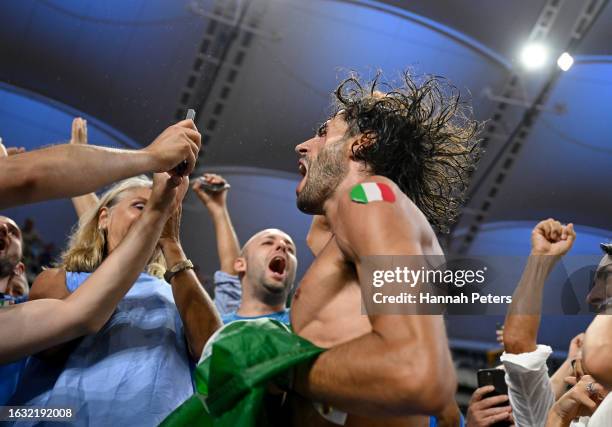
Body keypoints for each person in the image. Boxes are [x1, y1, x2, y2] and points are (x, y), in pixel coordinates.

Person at [287, 73, 481, 425]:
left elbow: (418, 373)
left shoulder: (371, 198)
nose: (302, 146)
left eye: (322, 132)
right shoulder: (354, 226)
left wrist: (277, 370)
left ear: (361, 144)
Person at [10, 174, 221, 426]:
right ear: (104, 218)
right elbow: (47, 345)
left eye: (163, 210)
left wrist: (171, 243)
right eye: (141, 206)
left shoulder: (179, 292)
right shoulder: (58, 279)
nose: (155, 214)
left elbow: (214, 355)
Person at [501, 219, 612, 426]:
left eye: (607, 279)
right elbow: (519, 350)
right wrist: (540, 259)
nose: (590, 297)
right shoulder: (578, 403)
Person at [0, 118, 200, 209]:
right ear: (105, 218)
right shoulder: (57, 283)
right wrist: (152, 156)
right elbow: (27, 176)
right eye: (139, 206)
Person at [192, 173, 296, 324]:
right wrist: (218, 209)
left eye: (291, 249)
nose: (282, 246)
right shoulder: (217, 329)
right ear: (240, 264)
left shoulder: (304, 324)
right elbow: (230, 278)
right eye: (268, 243)